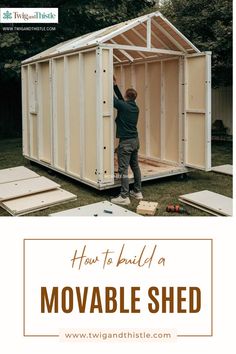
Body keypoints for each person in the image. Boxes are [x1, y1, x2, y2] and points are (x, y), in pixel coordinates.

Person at [111, 76, 143, 205]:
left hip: (126, 143)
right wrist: (114, 85)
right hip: (135, 141)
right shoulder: (135, 107)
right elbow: (120, 101)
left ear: (126, 96)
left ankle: (124, 196)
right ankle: (137, 191)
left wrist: (108, 84)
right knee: (135, 166)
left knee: (122, 170)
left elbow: (113, 100)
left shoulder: (123, 106)